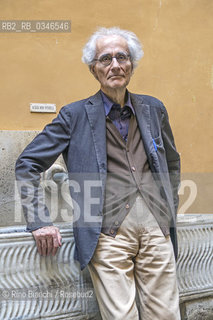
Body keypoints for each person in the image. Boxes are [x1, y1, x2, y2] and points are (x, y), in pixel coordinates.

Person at [15, 27, 181, 319]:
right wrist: (40, 221)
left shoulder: (154, 109)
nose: (115, 65)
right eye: (106, 59)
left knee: (167, 314)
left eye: (122, 57)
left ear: (132, 64)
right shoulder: (74, 115)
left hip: (157, 230)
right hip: (107, 235)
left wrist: (168, 210)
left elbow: (171, 163)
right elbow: (27, 164)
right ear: (94, 69)